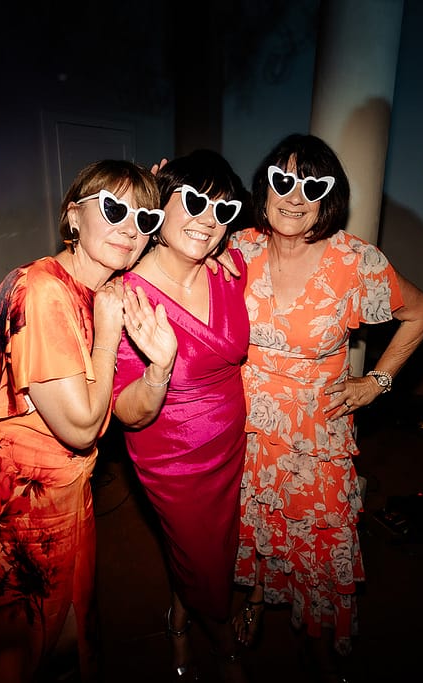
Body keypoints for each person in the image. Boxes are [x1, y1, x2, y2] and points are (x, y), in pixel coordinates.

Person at [0, 159, 170, 683]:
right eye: (114, 209)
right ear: (73, 217)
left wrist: (159, 369)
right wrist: (108, 336)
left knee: (65, 634)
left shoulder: (100, 290)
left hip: (61, 492)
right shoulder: (44, 290)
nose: (131, 228)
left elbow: (117, 408)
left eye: (145, 218)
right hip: (2, 495)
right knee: (9, 653)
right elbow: (82, 427)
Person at [229, 134, 423, 682]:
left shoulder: (354, 261)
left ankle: (315, 634)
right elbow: (176, 249)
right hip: (245, 426)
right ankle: (254, 599)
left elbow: (421, 312)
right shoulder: (239, 249)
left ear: (329, 198)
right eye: (283, 181)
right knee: (254, 521)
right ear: (264, 187)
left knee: (317, 543)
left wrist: (378, 381)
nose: (295, 197)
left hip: (315, 434)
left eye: (312, 186)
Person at [110, 149, 251, 682]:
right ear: (161, 204)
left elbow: (286, 232)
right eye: (193, 201)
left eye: (223, 210)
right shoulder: (126, 296)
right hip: (174, 459)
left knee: (207, 551)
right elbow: (126, 413)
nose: (208, 219)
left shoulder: (229, 270)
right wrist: (160, 368)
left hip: (232, 446)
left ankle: (178, 618)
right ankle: (226, 647)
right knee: (205, 562)